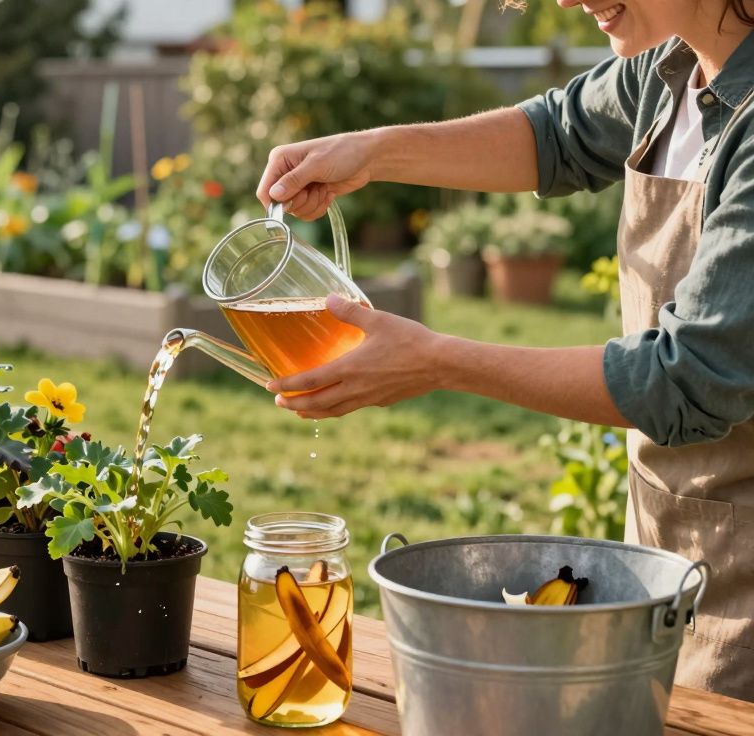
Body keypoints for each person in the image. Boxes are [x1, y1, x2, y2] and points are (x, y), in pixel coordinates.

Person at [256, 0, 754, 701]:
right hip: (671, 546)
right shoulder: (669, 67)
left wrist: (437, 361)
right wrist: (372, 152)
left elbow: (687, 378)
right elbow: (556, 135)